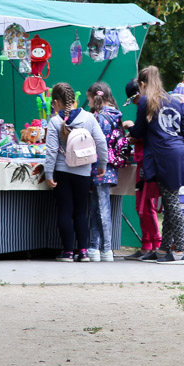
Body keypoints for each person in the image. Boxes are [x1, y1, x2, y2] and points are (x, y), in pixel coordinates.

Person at [128, 65, 184, 264]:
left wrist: (132, 132)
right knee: (169, 201)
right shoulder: (174, 100)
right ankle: (164, 249)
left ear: (142, 84)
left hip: (162, 156)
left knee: (172, 203)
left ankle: (181, 252)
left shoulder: (145, 102)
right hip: (177, 154)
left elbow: (139, 131)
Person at [44, 82, 108, 263]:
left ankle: (67, 252)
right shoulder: (89, 118)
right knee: (81, 211)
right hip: (84, 171)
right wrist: (102, 163)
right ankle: (83, 251)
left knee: (65, 211)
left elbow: (51, 152)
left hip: (62, 172)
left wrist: (49, 175)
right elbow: (101, 142)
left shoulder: (55, 122)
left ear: (56, 102)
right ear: (74, 99)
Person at [121, 80, 163, 261]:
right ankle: (146, 245)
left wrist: (130, 128)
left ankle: (157, 245)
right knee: (141, 205)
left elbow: (140, 133)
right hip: (141, 162)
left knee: (147, 205)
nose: (136, 102)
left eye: (135, 99)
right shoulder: (149, 106)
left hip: (147, 162)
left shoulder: (146, 106)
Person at [85, 81, 122, 262]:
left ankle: (102, 248)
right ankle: (97, 247)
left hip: (99, 166)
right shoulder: (116, 116)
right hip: (111, 167)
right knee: (98, 206)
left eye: (89, 99)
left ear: (94, 97)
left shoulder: (98, 118)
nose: (89, 103)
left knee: (100, 208)